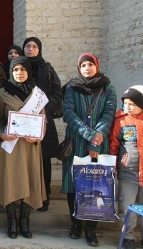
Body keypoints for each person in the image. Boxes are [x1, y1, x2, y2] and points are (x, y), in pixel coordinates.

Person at [61, 53, 117, 247]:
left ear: (96, 66)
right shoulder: (71, 87)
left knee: (96, 185)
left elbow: (108, 114)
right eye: (83, 65)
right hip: (76, 141)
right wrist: (87, 133)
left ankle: (91, 229)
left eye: (90, 65)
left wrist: (94, 143)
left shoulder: (107, 87)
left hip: (98, 145)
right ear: (79, 69)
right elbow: (68, 112)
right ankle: (75, 224)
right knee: (73, 184)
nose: (87, 68)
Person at [0, 56, 46, 240]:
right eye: (16, 70)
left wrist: (38, 136)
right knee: (11, 180)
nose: (19, 73)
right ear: (11, 72)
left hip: (30, 145)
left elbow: (43, 120)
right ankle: (12, 221)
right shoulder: (2, 93)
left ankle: (25, 219)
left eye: (23, 69)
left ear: (28, 71)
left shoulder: (37, 94)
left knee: (30, 180)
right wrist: (2, 134)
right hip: (10, 145)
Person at [22, 37, 62, 212]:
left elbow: (56, 91)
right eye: (28, 46)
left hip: (43, 119)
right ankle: (26, 195)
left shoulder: (47, 69)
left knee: (44, 159)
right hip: (23, 120)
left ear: (39, 49)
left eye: (34, 46)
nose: (31, 49)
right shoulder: (18, 67)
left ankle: (44, 196)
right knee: (25, 159)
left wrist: (46, 109)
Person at [110, 85, 143, 249]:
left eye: (132, 104)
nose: (128, 107)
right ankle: (128, 236)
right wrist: (115, 164)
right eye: (126, 103)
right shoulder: (121, 120)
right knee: (127, 205)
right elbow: (114, 145)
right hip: (128, 171)